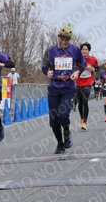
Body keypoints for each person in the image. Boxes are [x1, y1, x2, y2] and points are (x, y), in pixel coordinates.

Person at [42, 24, 85, 154]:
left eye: (67, 39)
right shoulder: (50, 51)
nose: (64, 41)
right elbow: (44, 67)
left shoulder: (75, 50)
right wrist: (47, 72)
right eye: (62, 38)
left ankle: (67, 133)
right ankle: (60, 143)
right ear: (58, 37)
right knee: (54, 120)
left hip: (68, 88)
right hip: (54, 88)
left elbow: (83, 64)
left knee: (63, 115)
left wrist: (77, 72)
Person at [76, 42, 98, 130]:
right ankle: (82, 118)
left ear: (89, 51)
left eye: (86, 49)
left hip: (88, 83)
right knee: (80, 103)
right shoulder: (77, 59)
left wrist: (93, 69)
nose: (84, 51)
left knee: (85, 101)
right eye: (82, 49)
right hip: (78, 83)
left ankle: (84, 122)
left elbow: (97, 68)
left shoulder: (93, 59)